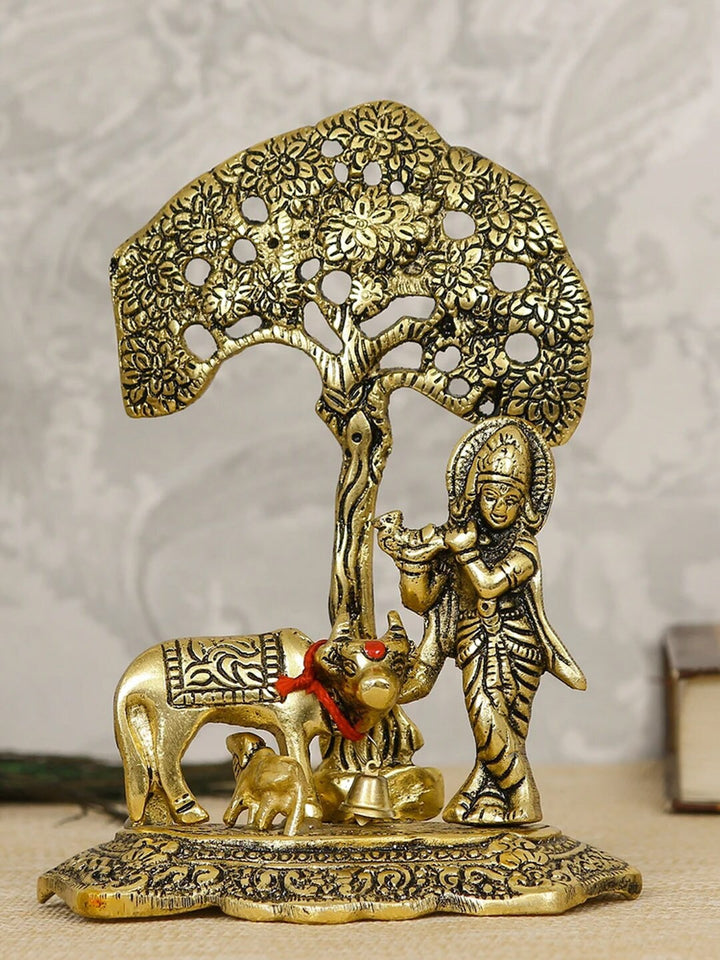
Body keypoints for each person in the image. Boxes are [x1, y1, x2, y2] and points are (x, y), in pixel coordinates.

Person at [376, 418, 585, 825]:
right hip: (472, 641)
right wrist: (411, 560)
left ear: (525, 503)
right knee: (487, 725)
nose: (499, 508)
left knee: (494, 722)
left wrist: (465, 552)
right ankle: (482, 793)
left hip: (516, 646)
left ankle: (524, 797)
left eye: (511, 499)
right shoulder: (462, 535)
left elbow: (489, 586)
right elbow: (421, 601)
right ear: (474, 493)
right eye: (490, 496)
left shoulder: (524, 549)